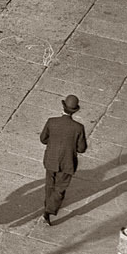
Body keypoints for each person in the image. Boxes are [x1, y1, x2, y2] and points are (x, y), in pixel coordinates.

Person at [40, 95, 88, 224]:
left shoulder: (51, 121)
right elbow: (82, 148)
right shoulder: (78, 128)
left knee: (49, 185)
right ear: (75, 111)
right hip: (67, 162)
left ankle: (47, 209)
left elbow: (43, 139)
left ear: (63, 107)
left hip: (51, 159)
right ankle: (48, 211)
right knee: (60, 188)